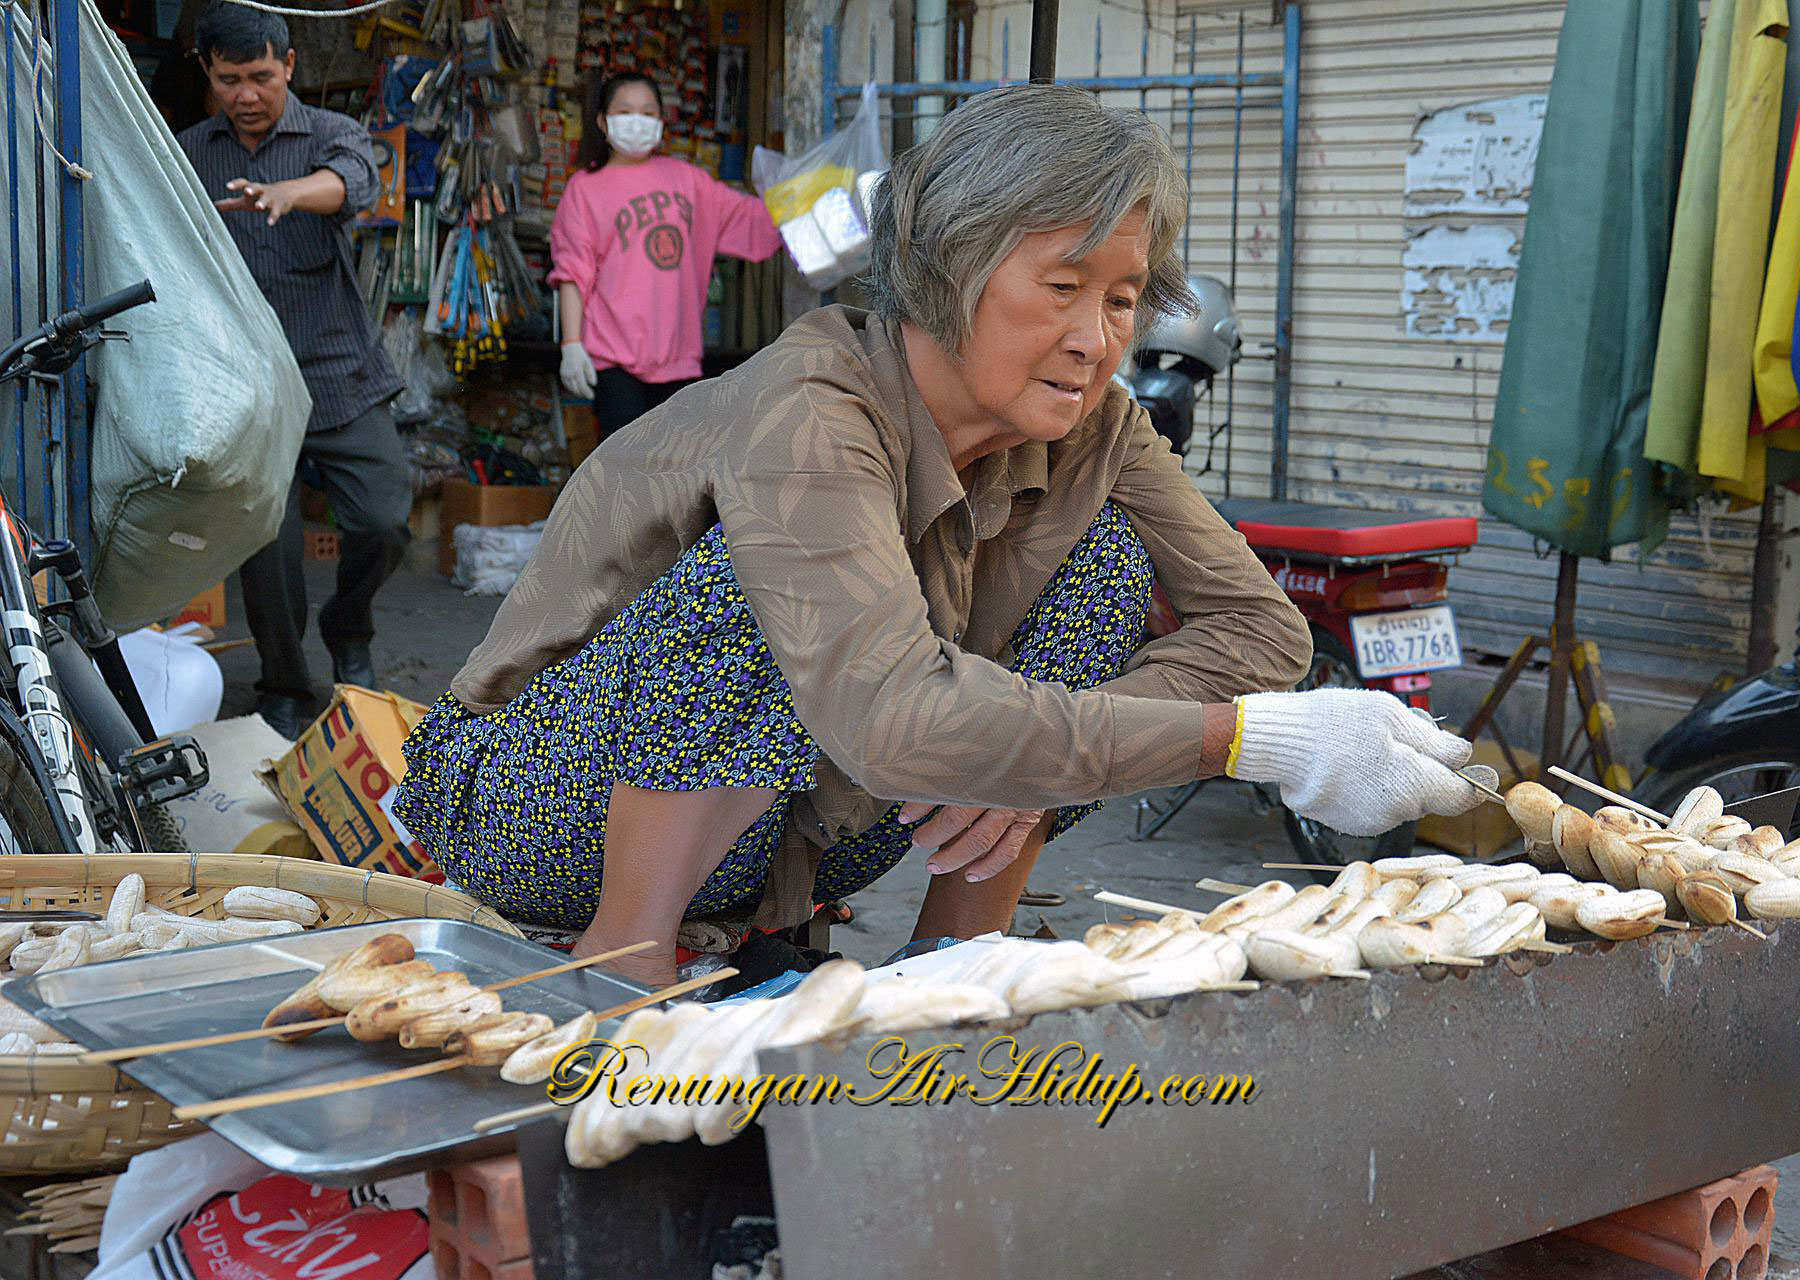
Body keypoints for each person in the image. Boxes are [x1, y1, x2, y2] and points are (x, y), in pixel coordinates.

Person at [394, 85, 1485, 988]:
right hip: (537, 802)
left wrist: (1020, 766)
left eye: (1120, 299)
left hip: (803, 825)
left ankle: (955, 957)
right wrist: (1254, 742)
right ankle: (622, 964)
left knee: (1101, 565)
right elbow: (893, 715)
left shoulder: (1098, 425)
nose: (1094, 339)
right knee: (763, 584)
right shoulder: (811, 407)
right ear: (948, 266)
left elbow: (1259, 628)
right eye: (1062, 289)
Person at [177, 3, 411, 740]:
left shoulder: (332, 134)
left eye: (260, 76)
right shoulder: (185, 152)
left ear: (289, 66)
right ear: (207, 75)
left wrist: (287, 192)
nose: (245, 94)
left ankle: (351, 629)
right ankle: (284, 682)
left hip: (339, 373)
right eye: (228, 79)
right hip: (247, 393)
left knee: (385, 519)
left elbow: (356, 183)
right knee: (265, 548)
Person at [551, 72, 783, 443]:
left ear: (661, 121)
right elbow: (572, 272)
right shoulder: (585, 189)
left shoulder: (689, 181)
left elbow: (754, 220)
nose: (637, 120)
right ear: (602, 121)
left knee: (677, 481)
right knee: (628, 477)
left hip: (679, 357)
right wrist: (572, 344)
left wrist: (808, 206)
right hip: (615, 360)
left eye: (647, 112)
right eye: (625, 111)